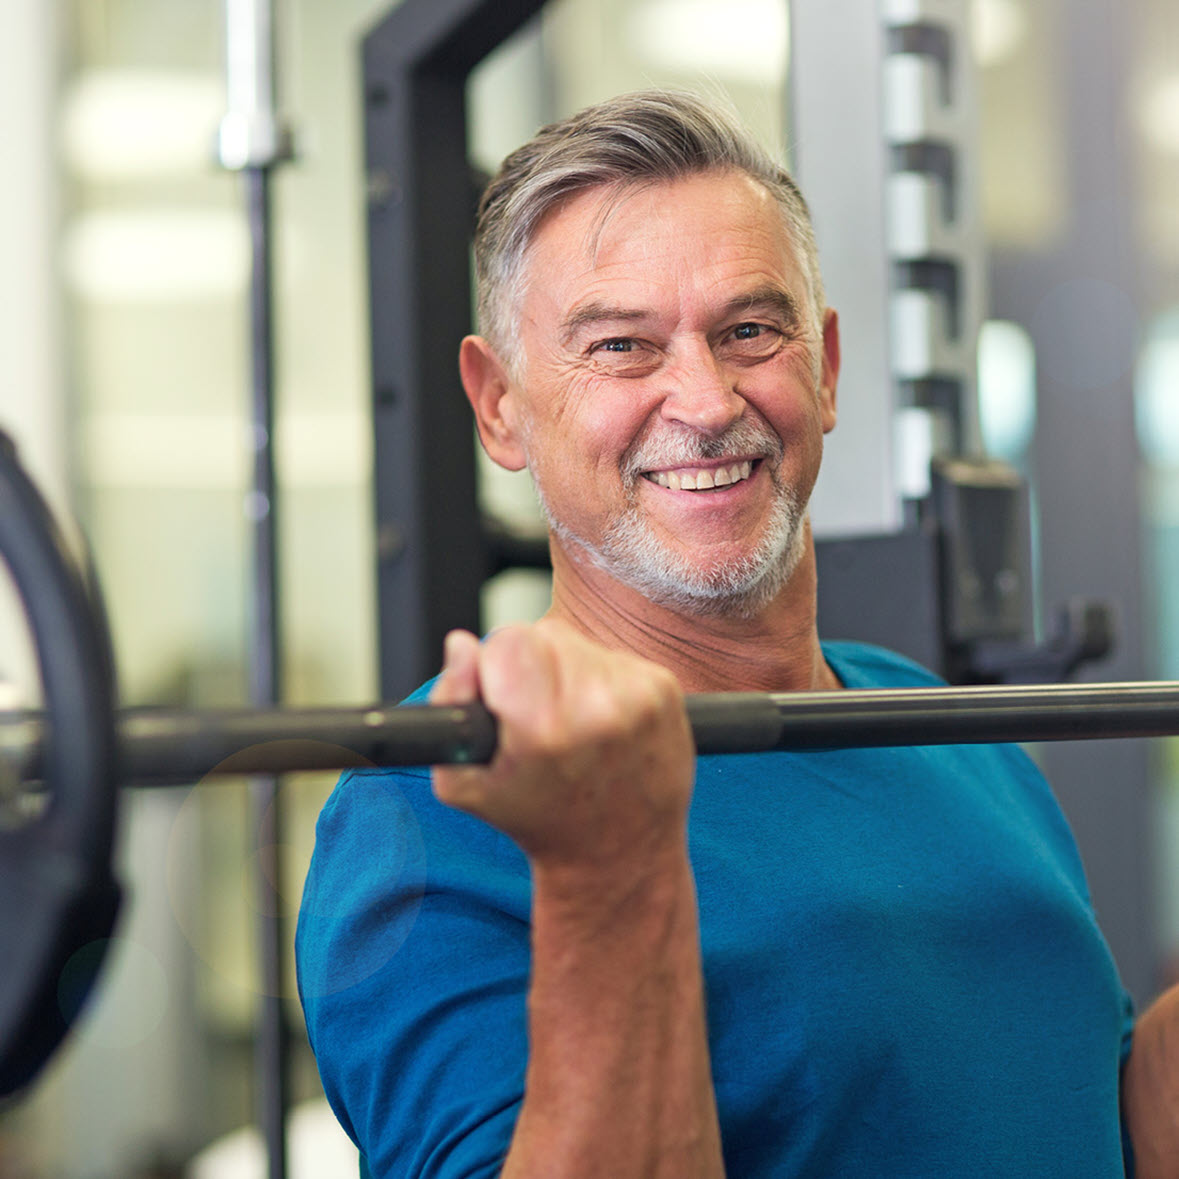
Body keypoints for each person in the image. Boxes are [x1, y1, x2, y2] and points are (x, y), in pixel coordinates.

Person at [296, 90, 1179, 1177]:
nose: (706, 401)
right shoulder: (435, 806)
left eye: (750, 331)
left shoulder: (943, 725)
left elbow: (1098, 1125)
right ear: (499, 407)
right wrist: (612, 873)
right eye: (622, 346)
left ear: (828, 366)